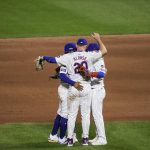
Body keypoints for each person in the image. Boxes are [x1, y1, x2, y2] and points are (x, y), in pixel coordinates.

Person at [37, 32, 107, 146]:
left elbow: (52, 60)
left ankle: (69, 140)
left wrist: (43, 57)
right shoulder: (89, 55)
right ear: (85, 46)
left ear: (77, 46)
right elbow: (104, 51)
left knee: (71, 114)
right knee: (85, 115)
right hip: (86, 88)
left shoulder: (68, 56)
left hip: (73, 88)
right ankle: (85, 139)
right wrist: (98, 39)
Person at [48, 43, 80, 144]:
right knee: (65, 115)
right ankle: (62, 138)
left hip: (62, 88)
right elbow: (63, 75)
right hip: (66, 90)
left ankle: (53, 135)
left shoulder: (65, 59)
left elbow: (61, 73)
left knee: (60, 113)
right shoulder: (68, 60)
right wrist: (73, 83)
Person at [86, 43, 107, 145]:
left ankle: (102, 139)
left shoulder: (98, 61)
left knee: (97, 115)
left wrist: (89, 74)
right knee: (95, 114)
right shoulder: (95, 60)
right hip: (94, 90)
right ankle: (98, 136)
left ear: (93, 52)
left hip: (97, 90)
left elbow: (102, 74)